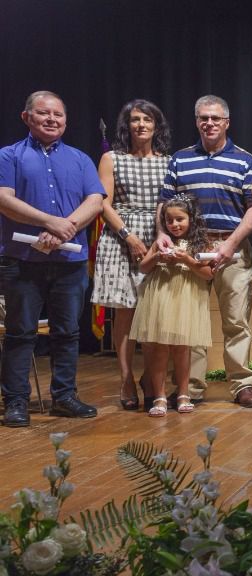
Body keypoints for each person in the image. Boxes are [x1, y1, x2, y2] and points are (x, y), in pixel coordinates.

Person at [0, 90, 106, 427]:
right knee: (20, 333)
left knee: (67, 332)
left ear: (65, 120)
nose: (52, 119)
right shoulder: (8, 156)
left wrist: (65, 228)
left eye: (58, 114)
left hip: (70, 262)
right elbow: (4, 200)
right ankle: (16, 401)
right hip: (22, 261)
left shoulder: (80, 158)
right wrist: (49, 222)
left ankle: (64, 397)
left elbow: (95, 200)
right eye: (44, 113)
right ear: (26, 117)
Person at [159, 95, 252, 407]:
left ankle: (243, 385)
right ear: (196, 122)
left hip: (233, 247)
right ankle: (190, 387)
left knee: (236, 321)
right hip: (191, 248)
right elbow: (164, 203)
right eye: (204, 118)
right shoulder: (180, 159)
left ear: (227, 122)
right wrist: (162, 234)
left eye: (216, 118)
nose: (209, 123)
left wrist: (229, 245)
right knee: (191, 320)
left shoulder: (246, 161)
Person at [91, 99, 171, 411]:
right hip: (120, 237)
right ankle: (126, 379)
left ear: (156, 125)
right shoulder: (111, 158)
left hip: (156, 236)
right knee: (124, 312)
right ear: (127, 125)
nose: (141, 125)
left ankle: (151, 379)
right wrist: (128, 236)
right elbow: (103, 203)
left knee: (152, 313)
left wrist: (160, 236)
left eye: (147, 119)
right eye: (135, 119)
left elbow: (171, 204)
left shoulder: (168, 161)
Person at [130, 194, 213, 416]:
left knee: (182, 348)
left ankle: (184, 394)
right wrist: (157, 257)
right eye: (169, 220)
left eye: (180, 219)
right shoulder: (161, 242)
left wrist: (186, 259)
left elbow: (208, 273)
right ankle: (159, 396)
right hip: (161, 296)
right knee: (159, 348)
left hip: (185, 298)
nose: (174, 224)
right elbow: (143, 267)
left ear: (191, 219)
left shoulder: (199, 243)